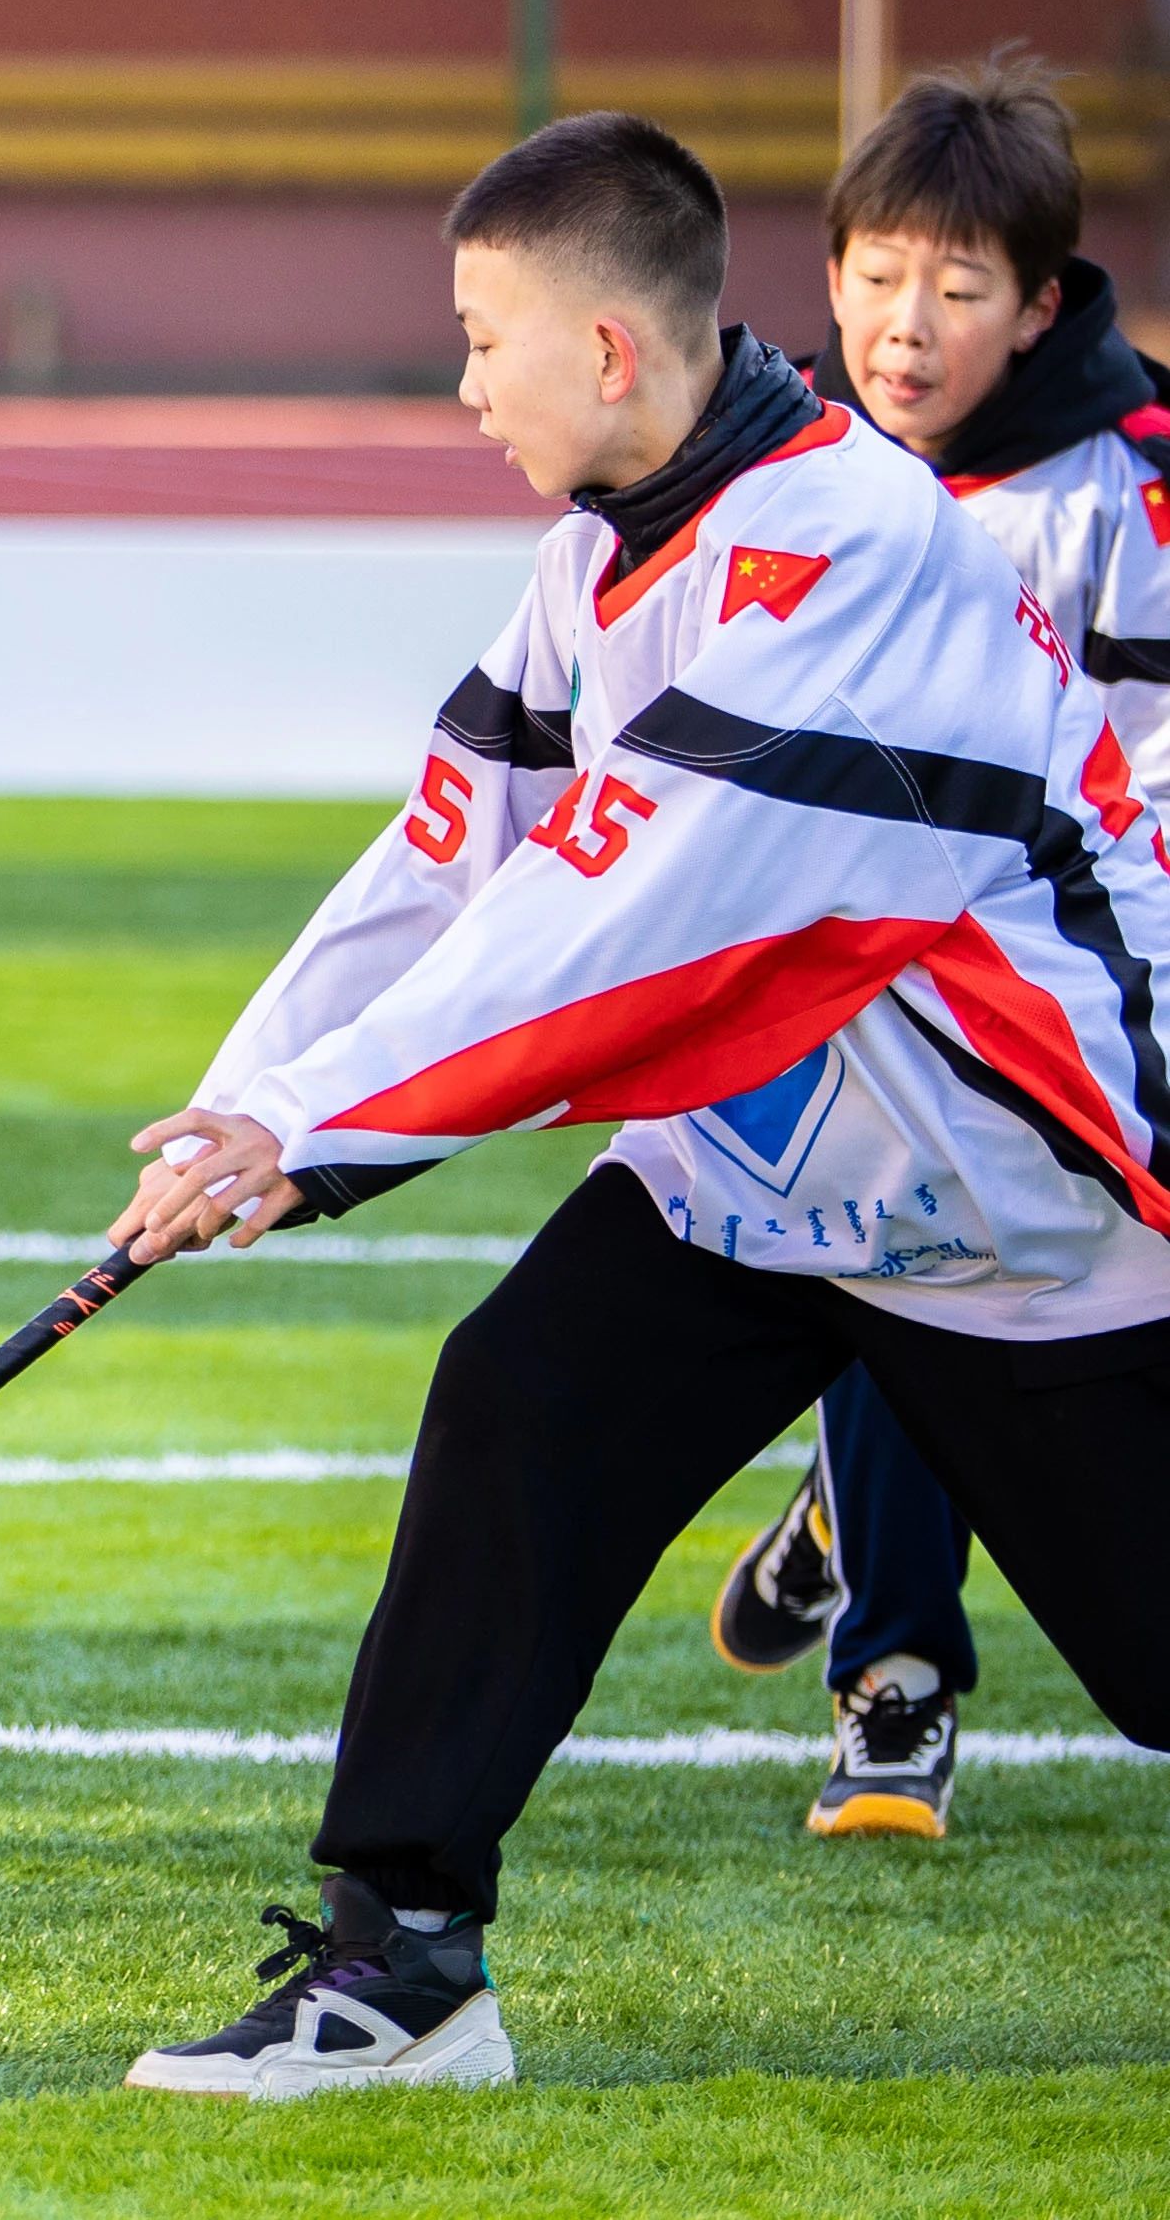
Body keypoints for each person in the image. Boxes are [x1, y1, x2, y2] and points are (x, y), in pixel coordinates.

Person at [108, 111, 1170, 2099]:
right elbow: (445, 854)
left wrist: (322, 1142)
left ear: (607, 351)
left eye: (478, 334)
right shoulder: (594, 552)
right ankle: (399, 1962)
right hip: (751, 1173)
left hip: (1022, 1206)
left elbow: (625, 911)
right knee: (515, 1400)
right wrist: (234, 1108)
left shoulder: (854, 550)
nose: (459, 379)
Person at [702, 58, 1170, 1842]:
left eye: (960, 289)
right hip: (861, 990)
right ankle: (894, 1686)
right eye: (879, 275)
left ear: (1040, 306)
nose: (908, 325)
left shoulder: (1133, 497)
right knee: (882, 1234)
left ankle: (835, 1526)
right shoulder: (782, 474)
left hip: (1101, 988)